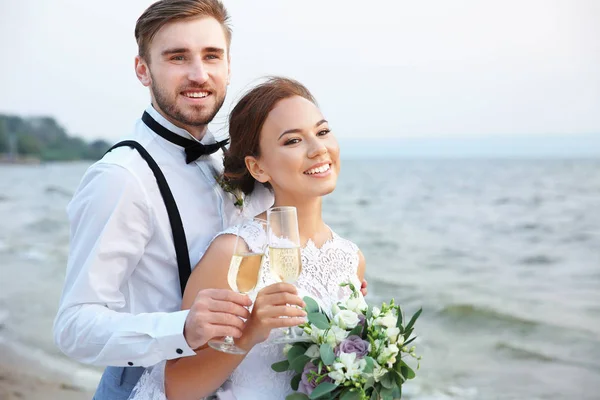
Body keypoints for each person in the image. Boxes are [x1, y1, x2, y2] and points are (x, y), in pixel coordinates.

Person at [53, 1, 274, 399]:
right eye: (177, 57)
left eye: (211, 56)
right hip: (147, 388)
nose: (198, 74)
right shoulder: (121, 178)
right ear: (143, 69)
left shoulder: (238, 164)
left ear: (228, 66)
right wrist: (182, 329)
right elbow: (73, 326)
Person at [129, 77, 368, 400]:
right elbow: (178, 388)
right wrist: (250, 331)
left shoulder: (351, 259)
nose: (318, 149)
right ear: (258, 168)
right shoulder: (236, 253)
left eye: (322, 132)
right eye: (293, 141)